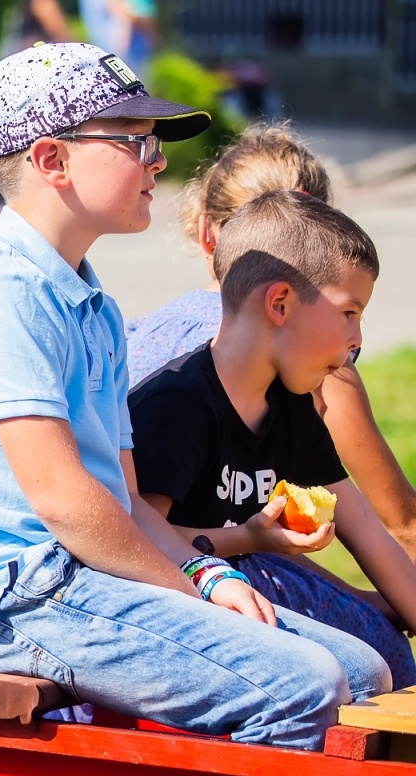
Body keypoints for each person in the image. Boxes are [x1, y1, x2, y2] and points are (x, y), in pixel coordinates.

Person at [0, 42, 391, 751]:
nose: (158, 160)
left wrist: (208, 574)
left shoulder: (90, 305)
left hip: (81, 580)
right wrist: (195, 587)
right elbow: (66, 503)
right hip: (15, 599)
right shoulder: (1, 295)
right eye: (135, 141)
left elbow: (124, 500)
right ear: (50, 160)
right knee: (303, 686)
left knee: (363, 671)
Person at [129, 190, 416, 689]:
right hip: (178, 606)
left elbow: (371, 536)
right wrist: (247, 539)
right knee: (368, 674)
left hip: (251, 580)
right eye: (350, 312)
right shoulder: (177, 406)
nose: (359, 339)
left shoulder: (292, 406)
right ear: (280, 303)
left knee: (392, 652)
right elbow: (134, 538)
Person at [130, 125, 416, 566]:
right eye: (348, 313)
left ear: (207, 231)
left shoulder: (136, 335)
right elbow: (403, 525)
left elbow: (339, 521)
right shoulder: (296, 363)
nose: (355, 341)